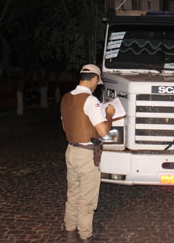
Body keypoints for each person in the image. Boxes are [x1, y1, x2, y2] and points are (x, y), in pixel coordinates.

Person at [60, 64, 115, 242]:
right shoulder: (90, 101)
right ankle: (85, 236)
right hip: (86, 154)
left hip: (71, 151)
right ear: (93, 80)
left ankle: (69, 232)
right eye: (96, 83)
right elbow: (103, 132)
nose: (95, 86)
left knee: (73, 194)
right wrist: (109, 115)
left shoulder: (66, 98)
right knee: (87, 199)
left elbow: (64, 126)